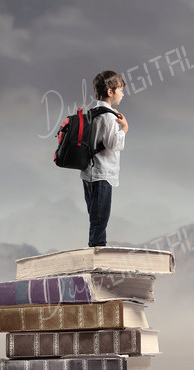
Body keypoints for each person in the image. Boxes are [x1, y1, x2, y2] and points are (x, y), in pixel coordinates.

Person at [82, 70, 129, 247]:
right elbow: (111, 144)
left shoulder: (92, 112)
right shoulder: (108, 115)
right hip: (102, 173)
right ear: (110, 92)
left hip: (88, 172)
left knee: (95, 217)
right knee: (100, 219)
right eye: (120, 90)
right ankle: (97, 253)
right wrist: (124, 128)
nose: (123, 94)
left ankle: (96, 249)